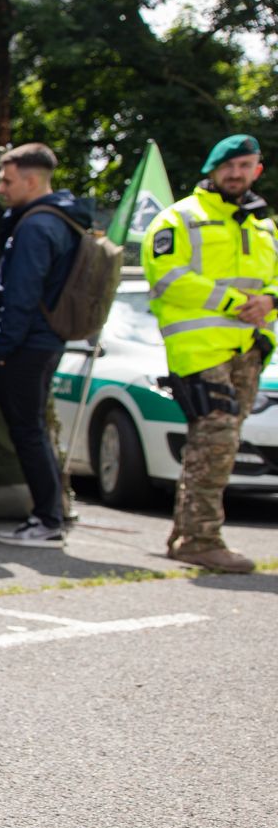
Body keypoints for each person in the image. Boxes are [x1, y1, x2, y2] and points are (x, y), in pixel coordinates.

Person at [143, 133, 277, 573]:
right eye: (228, 166)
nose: (236, 174)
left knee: (217, 444)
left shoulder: (264, 225)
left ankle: (188, 536)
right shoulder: (180, 218)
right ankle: (200, 539)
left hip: (248, 350)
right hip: (199, 351)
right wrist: (234, 302)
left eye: (245, 166)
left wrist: (270, 300)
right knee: (216, 439)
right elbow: (167, 277)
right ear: (212, 170)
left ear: (257, 170)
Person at [0, 142, 91, 548]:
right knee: (36, 430)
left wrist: (2, 349)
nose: (0, 188)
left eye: (7, 181)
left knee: (29, 432)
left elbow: (22, 294)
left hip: (27, 345)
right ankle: (50, 515)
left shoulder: (36, 226)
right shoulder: (63, 219)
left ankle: (47, 519)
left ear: (31, 181)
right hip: (47, 340)